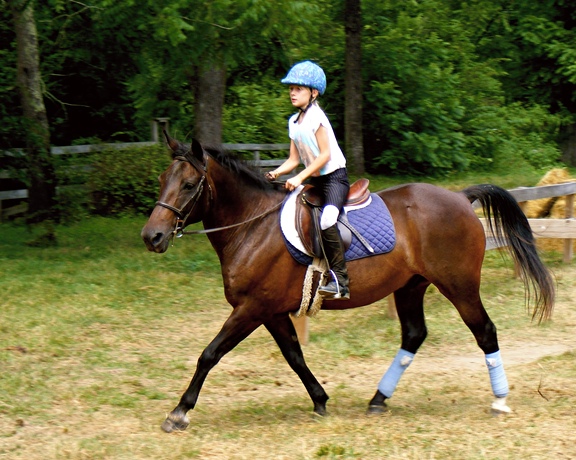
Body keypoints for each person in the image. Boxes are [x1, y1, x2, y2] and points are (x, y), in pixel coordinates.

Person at [266, 61, 350, 300]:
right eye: (291, 88)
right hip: (314, 180)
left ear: (313, 93)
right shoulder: (294, 122)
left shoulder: (317, 117)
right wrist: (276, 173)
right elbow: (293, 159)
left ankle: (341, 282)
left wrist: (300, 177)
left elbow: (325, 155)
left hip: (334, 180)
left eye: (298, 89)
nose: (292, 92)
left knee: (327, 220)